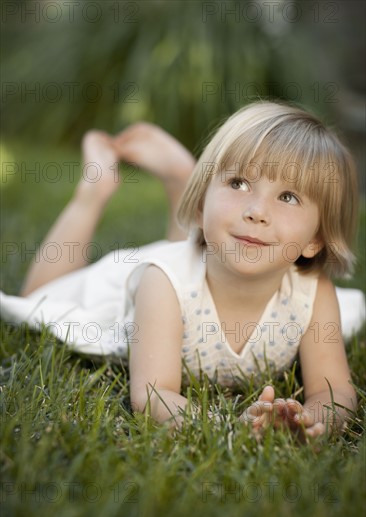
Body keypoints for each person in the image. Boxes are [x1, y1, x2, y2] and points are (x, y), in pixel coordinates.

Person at [1, 101, 365, 440]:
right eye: (238, 182)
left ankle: (181, 179)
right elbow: (153, 393)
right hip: (129, 292)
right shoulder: (163, 282)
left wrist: (313, 422)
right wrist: (229, 429)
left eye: (288, 197)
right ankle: (95, 190)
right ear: (201, 206)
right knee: (37, 300)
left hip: (199, 256)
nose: (257, 210)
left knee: (206, 244)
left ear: (315, 239)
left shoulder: (313, 292)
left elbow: (333, 390)